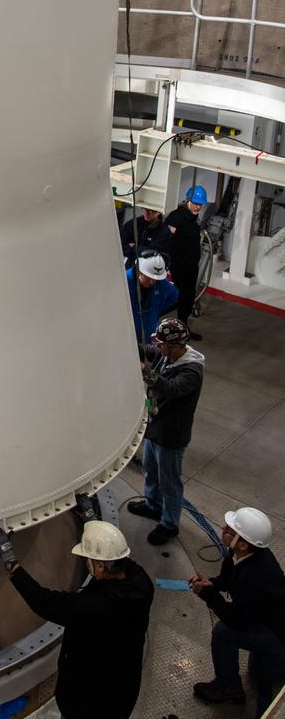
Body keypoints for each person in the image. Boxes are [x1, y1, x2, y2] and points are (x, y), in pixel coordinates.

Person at [0, 520, 153, 719]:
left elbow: (45, 602)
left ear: (100, 566)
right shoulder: (142, 582)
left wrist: (11, 563)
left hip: (86, 701)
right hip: (121, 693)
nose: (86, 564)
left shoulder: (95, 607)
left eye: (88, 560)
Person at [190, 506, 285, 711]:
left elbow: (237, 620)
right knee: (256, 671)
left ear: (242, 543)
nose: (223, 529)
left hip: (277, 635)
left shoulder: (256, 577)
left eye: (230, 530)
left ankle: (229, 688)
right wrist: (212, 584)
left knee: (223, 632)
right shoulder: (243, 553)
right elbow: (228, 579)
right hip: (265, 620)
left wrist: (207, 595)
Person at [128, 316, 204, 545]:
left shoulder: (192, 372)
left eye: (161, 344)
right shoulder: (166, 355)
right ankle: (153, 505)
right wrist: (125, 341)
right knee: (150, 470)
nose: (157, 348)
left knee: (169, 483)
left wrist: (145, 371)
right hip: (155, 427)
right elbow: (145, 349)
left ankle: (169, 524)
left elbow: (170, 388)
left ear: (174, 345)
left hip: (171, 435)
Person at [165, 185, 208, 337]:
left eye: (200, 204)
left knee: (188, 298)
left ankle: (183, 328)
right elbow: (166, 239)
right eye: (195, 203)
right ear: (187, 200)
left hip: (191, 266)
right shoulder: (176, 217)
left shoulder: (194, 219)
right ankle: (172, 328)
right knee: (179, 297)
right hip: (179, 266)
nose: (198, 207)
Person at [125, 252, 179, 345]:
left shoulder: (160, 283)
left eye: (155, 279)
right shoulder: (125, 282)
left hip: (147, 338)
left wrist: (156, 311)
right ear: (140, 271)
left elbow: (174, 296)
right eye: (149, 278)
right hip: (127, 337)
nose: (152, 282)